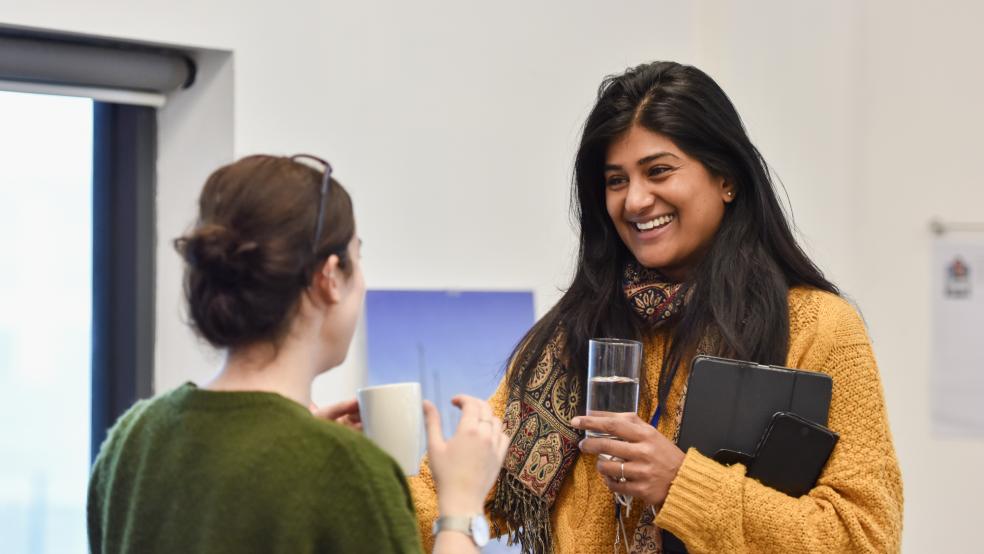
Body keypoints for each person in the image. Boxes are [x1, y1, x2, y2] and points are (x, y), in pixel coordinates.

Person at [409, 61, 903, 553]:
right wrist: (341, 463)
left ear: (726, 178)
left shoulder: (817, 328)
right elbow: (449, 493)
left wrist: (681, 484)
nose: (636, 200)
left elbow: (865, 537)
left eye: (659, 171)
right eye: (616, 180)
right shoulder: (573, 333)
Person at [87, 154, 508, 553]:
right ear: (329, 277)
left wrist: (304, 441)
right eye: (357, 258)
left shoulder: (132, 439)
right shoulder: (348, 471)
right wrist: (462, 507)